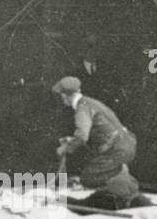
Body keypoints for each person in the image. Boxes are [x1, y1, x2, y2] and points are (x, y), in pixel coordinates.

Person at [52, 76, 140, 210]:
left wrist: (66, 147)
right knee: (93, 175)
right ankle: (120, 179)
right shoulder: (91, 103)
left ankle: (122, 181)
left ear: (64, 96)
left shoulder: (82, 109)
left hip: (116, 151)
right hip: (127, 145)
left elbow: (82, 136)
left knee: (89, 178)